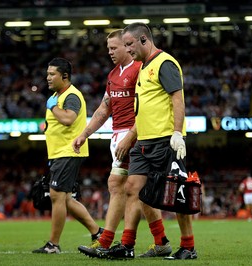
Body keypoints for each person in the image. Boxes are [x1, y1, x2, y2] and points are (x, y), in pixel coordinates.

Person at [73, 29, 172, 258]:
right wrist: (84, 134)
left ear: (128, 47)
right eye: (109, 49)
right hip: (117, 135)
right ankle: (160, 241)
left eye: (115, 48)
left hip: (135, 134)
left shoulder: (140, 69)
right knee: (136, 191)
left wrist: (131, 136)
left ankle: (109, 241)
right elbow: (104, 109)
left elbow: (148, 106)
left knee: (119, 185)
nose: (111, 52)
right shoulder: (113, 74)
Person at [104, 22, 197, 260]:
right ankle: (128, 245)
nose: (127, 50)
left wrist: (178, 133)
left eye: (129, 44)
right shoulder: (143, 68)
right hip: (143, 141)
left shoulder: (164, 63)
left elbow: (177, 98)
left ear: (144, 39)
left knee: (177, 193)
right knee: (133, 189)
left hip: (166, 140)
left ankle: (188, 246)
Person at [32, 57, 103, 254]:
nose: (48, 78)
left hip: (68, 151)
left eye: (52, 74)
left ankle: (53, 244)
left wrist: (53, 107)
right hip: (59, 153)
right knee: (65, 199)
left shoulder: (70, 96)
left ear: (64, 76)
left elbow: (68, 119)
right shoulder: (59, 95)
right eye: (47, 74)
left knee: (57, 196)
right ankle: (98, 233)